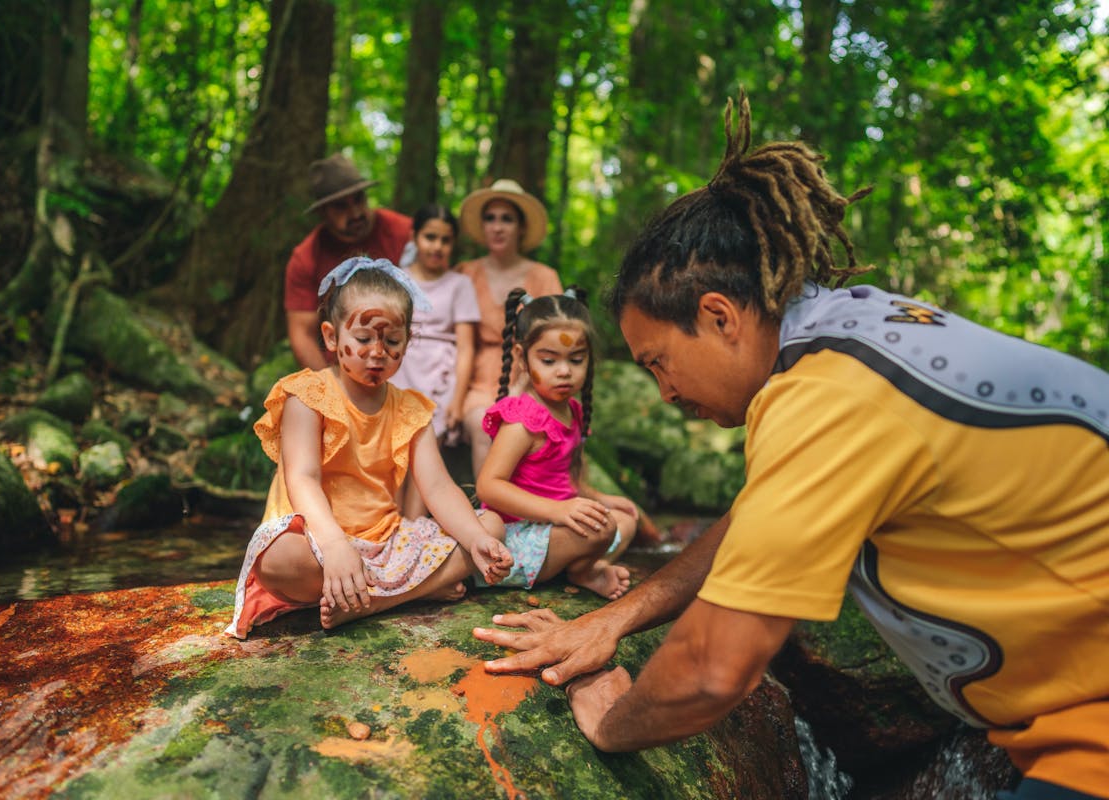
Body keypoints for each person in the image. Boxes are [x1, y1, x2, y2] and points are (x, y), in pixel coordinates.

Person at [473, 90, 1109, 800]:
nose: (663, 392)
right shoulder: (845, 339)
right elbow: (754, 523)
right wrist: (615, 618)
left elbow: (716, 670)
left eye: (657, 361)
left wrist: (611, 721)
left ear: (718, 317)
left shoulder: (821, 399)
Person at [226, 257, 512, 637]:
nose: (378, 352)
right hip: (316, 541)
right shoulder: (307, 395)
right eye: (363, 339)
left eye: (392, 341)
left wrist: (476, 541)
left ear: (407, 343)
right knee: (276, 560)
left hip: (386, 541)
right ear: (331, 337)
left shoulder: (411, 408)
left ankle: (368, 603)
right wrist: (333, 546)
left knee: (490, 525)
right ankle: (417, 589)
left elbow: (440, 488)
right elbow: (303, 478)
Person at [475, 287, 637, 599]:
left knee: (625, 520)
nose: (564, 371)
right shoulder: (524, 419)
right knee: (603, 529)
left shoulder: (572, 410)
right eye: (549, 360)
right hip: (518, 539)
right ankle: (585, 569)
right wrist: (556, 511)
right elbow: (488, 486)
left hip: (556, 528)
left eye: (576, 359)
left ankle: (578, 566)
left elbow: (565, 481)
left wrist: (599, 498)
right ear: (522, 357)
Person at [455, 179, 563, 477]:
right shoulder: (466, 272)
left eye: (507, 219)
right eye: (490, 219)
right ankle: (489, 513)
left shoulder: (543, 276)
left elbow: (557, 336)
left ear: (521, 227)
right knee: (482, 424)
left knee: (526, 426)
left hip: (531, 376)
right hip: (478, 380)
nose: (497, 227)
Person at [389, 204, 480, 518]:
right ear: (414, 237)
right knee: (394, 450)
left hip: (439, 375)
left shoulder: (460, 285)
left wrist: (457, 400)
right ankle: (388, 526)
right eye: (430, 237)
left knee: (424, 454)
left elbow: (466, 346)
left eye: (445, 240)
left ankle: (414, 528)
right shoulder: (396, 279)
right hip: (399, 366)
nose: (437, 247)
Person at [285, 154, 412, 369]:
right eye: (340, 207)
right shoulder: (306, 257)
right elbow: (302, 333)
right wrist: (330, 391)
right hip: (343, 368)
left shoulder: (403, 232)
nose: (355, 213)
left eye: (359, 199)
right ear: (323, 213)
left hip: (407, 358)